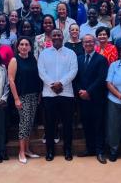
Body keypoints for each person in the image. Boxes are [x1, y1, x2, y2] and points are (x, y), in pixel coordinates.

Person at [38, 29, 78, 161]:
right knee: (49, 125)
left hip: (66, 93)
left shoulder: (71, 53)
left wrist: (60, 83)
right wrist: (52, 84)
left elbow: (73, 71)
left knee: (67, 124)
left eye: (59, 35)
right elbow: (41, 72)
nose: (56, 37)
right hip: (49, 94)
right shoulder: (44, 54)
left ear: (62, 37)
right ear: (51, 37)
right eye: (54, 35)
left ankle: (68, 150)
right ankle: (50, 151)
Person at [8, 37, 43, 164]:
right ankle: (21, 151)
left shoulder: (33, 59)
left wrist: (38, 94)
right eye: (21, 44)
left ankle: (27, 149)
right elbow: (11, 80)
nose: (24, 46)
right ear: (17, 47)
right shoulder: (14, 60)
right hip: (22, 97)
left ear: (30, 47)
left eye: (26, 44)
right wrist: (16, 98)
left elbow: (36, 78)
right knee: (24, 124)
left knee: (30, 124)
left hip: (33, 95)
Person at [74, 35, 108, 164]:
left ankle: (100, 151)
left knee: (98, 125)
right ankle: (90, 149)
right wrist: (80, 92)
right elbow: (75, 78)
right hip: (82, 99)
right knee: (86, 124)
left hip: (97, 98)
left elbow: (101, 78)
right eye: (85, 42)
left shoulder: (102, 59)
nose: (87, 43)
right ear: (82, 44)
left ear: (95, 43)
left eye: (90, 41)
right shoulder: (78, 59)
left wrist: (89, 91)